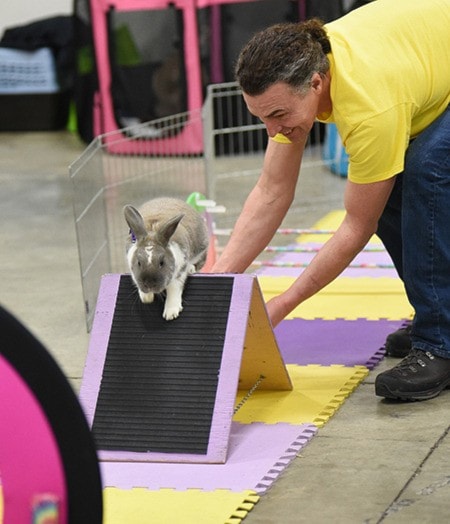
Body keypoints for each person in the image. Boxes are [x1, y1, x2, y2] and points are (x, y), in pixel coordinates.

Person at [211, 0, 450, 401]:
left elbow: (357, 227)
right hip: (423, 62)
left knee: (424, 172)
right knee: (385, 187)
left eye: (278, 114)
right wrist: (219, 281)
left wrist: (281, 306)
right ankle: (437, 310)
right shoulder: (305, 70)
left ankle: (440, 341)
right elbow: (271, 191)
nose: (273, 131)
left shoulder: (369, 106)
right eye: (261, 118)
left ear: (317, 85)